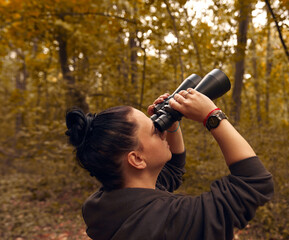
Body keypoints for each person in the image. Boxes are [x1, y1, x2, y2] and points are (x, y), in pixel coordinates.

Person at [65, 88, 274, 240]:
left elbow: (172, 171)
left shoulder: (104, 206)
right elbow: (254, 183)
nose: (161, 129)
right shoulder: (172, 220)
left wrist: (172, 123)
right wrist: (212, 116)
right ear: (136, 159)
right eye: (155, 130)